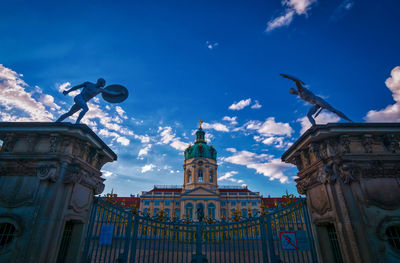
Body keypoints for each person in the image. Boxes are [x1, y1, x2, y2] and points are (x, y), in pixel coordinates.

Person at [280, 73, 352, 125]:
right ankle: (314, 127)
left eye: (291, 91)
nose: (292, 92)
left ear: (293, 90)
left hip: (317, 100)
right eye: (291, 92)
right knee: (309, 115)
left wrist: (286, 76)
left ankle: (349, 120)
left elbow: (296, 80)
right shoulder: (299, 95)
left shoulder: (300, 89)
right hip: (314, 104)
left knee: (333, 110)